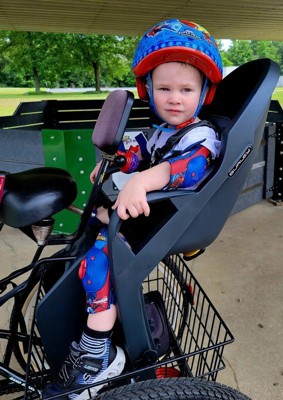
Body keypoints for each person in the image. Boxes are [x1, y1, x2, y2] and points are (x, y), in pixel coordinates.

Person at [44, 18, 223, 399]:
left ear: (204, 92)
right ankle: (101, 322)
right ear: (149, 90)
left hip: (164, 224)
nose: (175, 97)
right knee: (87, 240)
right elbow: (134, 151)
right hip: (145, 219)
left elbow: (186, 168)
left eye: (186, 89)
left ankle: (98, 350)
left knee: (96, 261)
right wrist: (116, 161)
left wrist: (144, 179)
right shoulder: (159, 132)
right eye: (164, 88)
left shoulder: (201, 135)